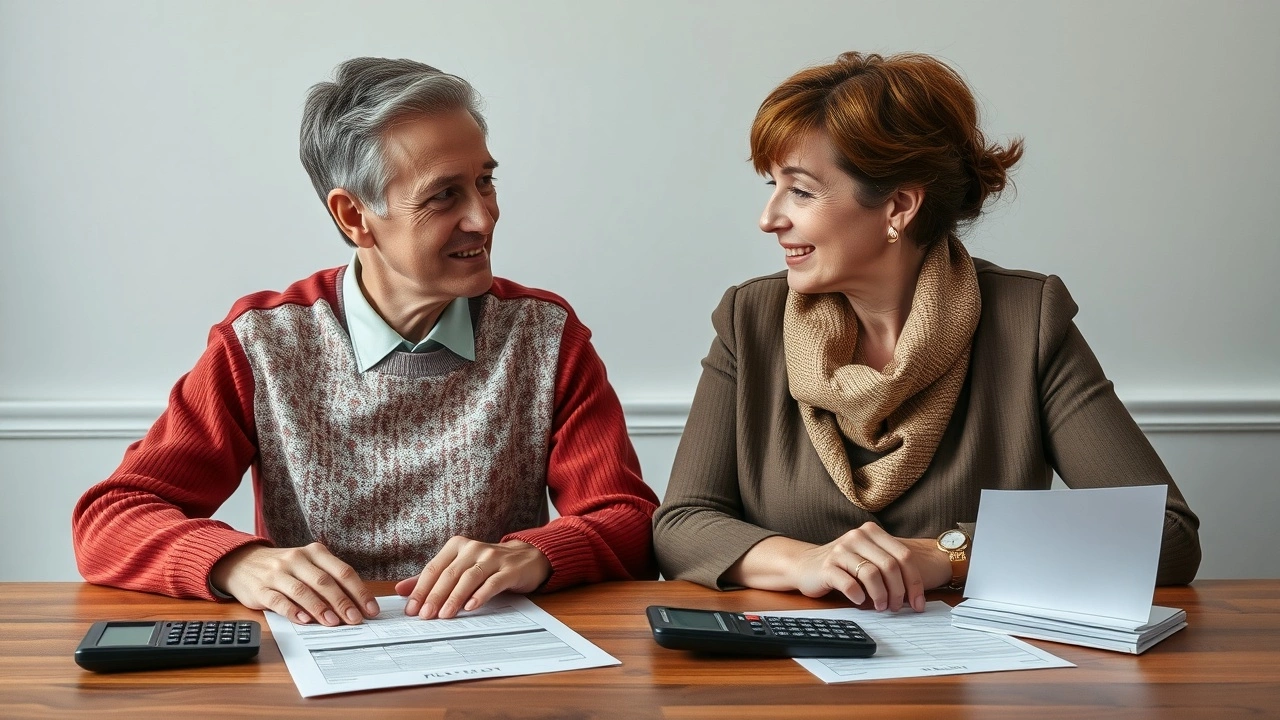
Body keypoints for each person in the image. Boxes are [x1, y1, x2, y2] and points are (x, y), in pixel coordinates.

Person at [73, 57, 658, 626]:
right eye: (443, 195)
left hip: (500, 662)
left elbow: (630, 520)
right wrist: (235, 561)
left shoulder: (546, 336)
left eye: (485, 181)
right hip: (323, 665)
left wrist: (538, 554)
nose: (484, 217)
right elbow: (110, 519)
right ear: (354, 216)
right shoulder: (263, 344)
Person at [652, 51, 1201, 613]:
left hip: (971, 681)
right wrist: (805, 562)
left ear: (899, 205)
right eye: (771, 186)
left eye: (801, 192)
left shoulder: (1026, 317)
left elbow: (1166, 535)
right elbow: (682, 524)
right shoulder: (751, 318)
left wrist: (946, 553)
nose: (768, 218)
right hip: (792, 669)